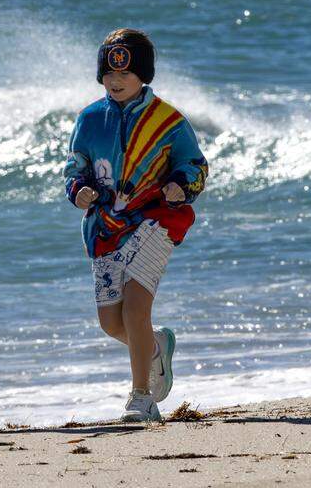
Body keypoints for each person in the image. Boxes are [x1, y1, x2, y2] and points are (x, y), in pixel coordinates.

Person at [62, 28, 208, 422]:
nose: (116, 80)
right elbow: (75, 168)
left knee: (136, 307)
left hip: (155, 221)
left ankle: (141, 398)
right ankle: (156, 347)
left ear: (143, 74)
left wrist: (182, 185)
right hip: (106, 229)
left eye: (125, 73)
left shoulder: (168, 121)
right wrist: (79, 190)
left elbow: (195, 165)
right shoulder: (89, 119)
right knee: (111, 322)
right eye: (108, 73)